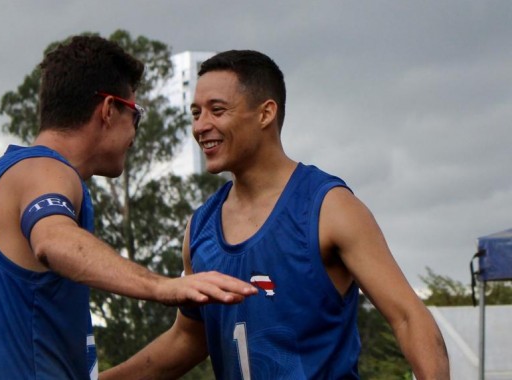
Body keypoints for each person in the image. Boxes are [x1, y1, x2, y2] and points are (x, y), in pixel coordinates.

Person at [0, 36, 257, 380]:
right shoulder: (50, 172)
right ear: (108, 110)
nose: (135, 131)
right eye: (135, 115)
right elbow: (52, 238)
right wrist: (162, 286)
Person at [100, 50, 450, 379]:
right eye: (196, 113)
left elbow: (408, 316)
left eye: (217, 110)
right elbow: (188, 339)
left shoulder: (329, 207)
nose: (200, 126)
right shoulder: (200, 226)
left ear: (266, 113)